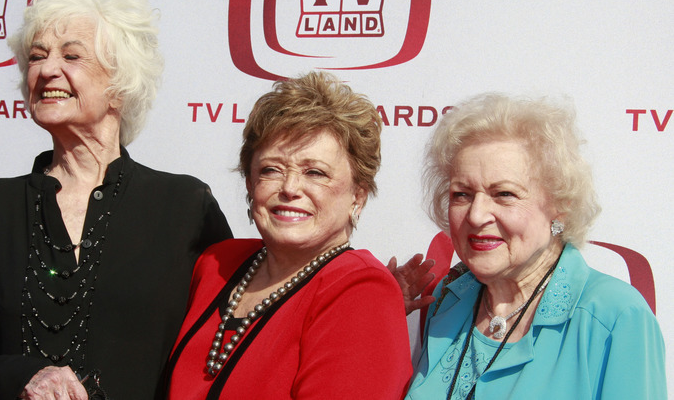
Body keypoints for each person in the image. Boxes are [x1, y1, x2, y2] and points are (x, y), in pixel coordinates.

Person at [0, 0, 232, 400]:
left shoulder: (185, 208)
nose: (46, 70)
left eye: (71, 55)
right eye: (36, 56)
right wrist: (21, 377)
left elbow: (225, 355)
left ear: (121, 81)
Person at [164, 71, 413, 399]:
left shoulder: (360, 290)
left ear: (358, 195)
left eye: (315, 172)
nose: (290, 188)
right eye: (271, 169)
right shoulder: (217, 263)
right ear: (251, 183)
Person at [405, 93, 667, 399]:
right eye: (461, 194)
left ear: (560, 204)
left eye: (504, 194)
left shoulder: (614, 316)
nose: (476, 215)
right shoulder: (447, 299)